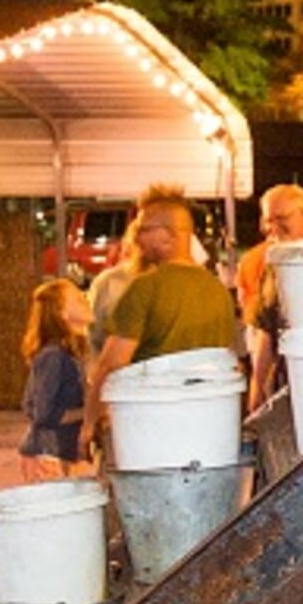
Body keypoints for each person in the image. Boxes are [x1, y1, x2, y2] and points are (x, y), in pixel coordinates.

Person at [82, 194, 243, 456]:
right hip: (206, 426)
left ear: (170, 235)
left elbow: (112, 363)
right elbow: (231, 360)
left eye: (144, 229)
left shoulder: (145, 287)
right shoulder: (218, 291)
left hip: (151, 427)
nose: (135, 237)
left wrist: (89, 421)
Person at [230, 183, 303, 403]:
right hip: (285, 384)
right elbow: (265, 329)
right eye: (269, 220)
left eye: (282, 217)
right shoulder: (273, 264)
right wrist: (257, 385)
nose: (273, 228)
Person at [18, 278, 96, 479]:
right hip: (48, 456)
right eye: (78, 299)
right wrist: (92, 411)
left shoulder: (68, 353)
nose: (86, 300)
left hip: (57, 454)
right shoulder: (54, 355)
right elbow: (44, 414)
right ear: (62, 314)